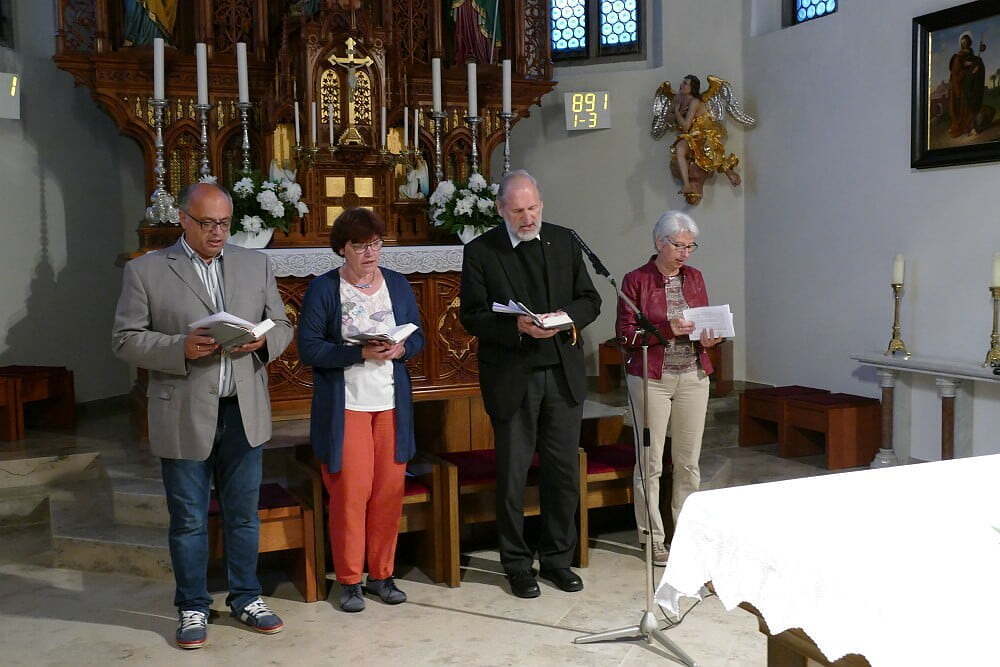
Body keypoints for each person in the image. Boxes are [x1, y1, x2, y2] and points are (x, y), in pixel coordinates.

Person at [112, 182, 293, 649]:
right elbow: (125, 339)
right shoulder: (147, 270)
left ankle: (246, 597)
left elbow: (283, 322)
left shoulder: (256, 263)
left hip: (243, 410)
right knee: (189, 518)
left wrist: (264, 341)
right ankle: (192, 605)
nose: (217, 232)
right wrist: (179, 347)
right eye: (207, 223)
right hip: (184, 411)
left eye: (225, 223)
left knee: (243, 516)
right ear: (184, 221)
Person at [459, 169, 601, 598]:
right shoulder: (483, 251)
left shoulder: (564, 240)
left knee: (561, 472)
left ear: (542, 203)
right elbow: (473, 315)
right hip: (513, 375)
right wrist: (518, 326)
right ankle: (517, 564)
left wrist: (564, 318)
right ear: (502, 210)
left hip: (560, 372)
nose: (528, 218)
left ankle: (558, 558)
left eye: (534, 208)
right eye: (518, 210)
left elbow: (590, 300)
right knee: (513, 475)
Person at [298, 208, 424, 613]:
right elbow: (309, 349)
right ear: (341, 248)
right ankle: (350, 579)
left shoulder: (399, 285)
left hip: (390, 403)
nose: (370, 252)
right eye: (359, 245)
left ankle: (382, 575)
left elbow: (417, 336)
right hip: (346, 405)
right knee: (351, 492)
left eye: (375, 243)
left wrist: (403, 347)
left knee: (389, 491)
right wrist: (358, 352)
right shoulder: (323, 289)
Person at [615, 210, 723, 566]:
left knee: (688, 463)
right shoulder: (636, 280)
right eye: (679, 245)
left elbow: (703, 321)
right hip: (652, 377)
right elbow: (625, 335)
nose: (685, 253)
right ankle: (653, 538)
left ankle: (688, 535)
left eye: (691, 246)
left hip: (693, 374)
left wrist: (710, 338)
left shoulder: (695, 278)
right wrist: (668, 328)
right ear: (659, 243)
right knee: (650, 462)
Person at [672, 75, 741, 195]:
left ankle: (729, 173)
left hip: (703, 132)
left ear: (692, 88)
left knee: (709, 151)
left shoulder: (695, 101)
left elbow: (686, 126)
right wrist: (675, 114)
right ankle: (687, 185)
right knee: (679, 149)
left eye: (685, 83)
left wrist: (677, 113)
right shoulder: (678, 99)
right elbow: (668, 118)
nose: (681, 85)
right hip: (691, 135)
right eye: (682, 82)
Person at [948, 32, 987, 138]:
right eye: (962, 42)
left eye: (966, 42)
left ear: (969, 43)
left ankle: (970, 127)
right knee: (961, 106)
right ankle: (963, 126)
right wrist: (965, 66)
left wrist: (976, 67)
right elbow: (956, 71)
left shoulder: (971, 54)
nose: (964, 44)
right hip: (961, 83)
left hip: (970, 84)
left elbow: (976, 63)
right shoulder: (958, 55)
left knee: (969, 104)